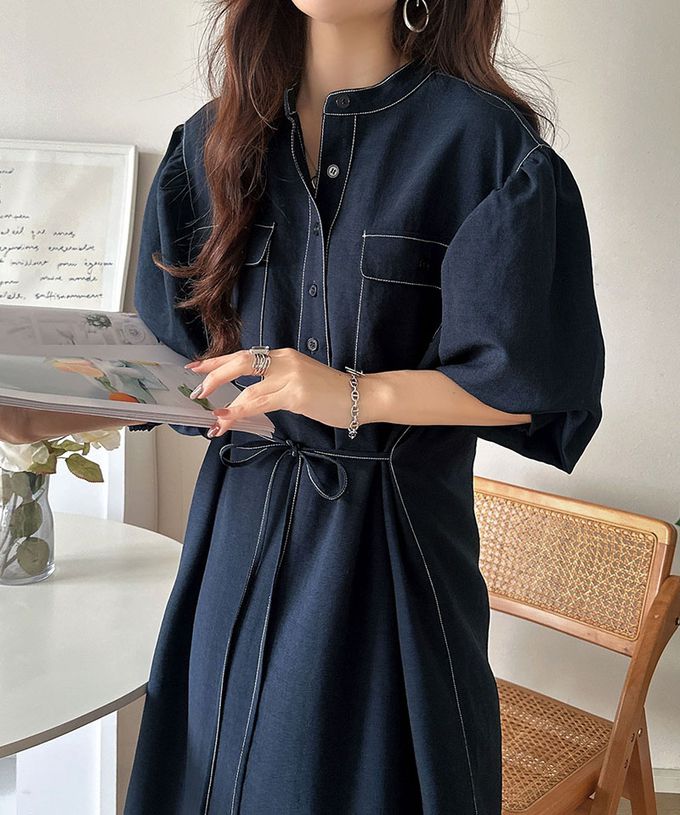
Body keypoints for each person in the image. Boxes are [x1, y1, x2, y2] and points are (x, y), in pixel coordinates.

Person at [1, 1, 606, 812]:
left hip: (390, 553)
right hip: (234, 539)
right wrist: (38, 415)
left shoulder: (484, 147)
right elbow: (183, 374)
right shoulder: (210, 143)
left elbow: (532, 384)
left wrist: (354, 393)